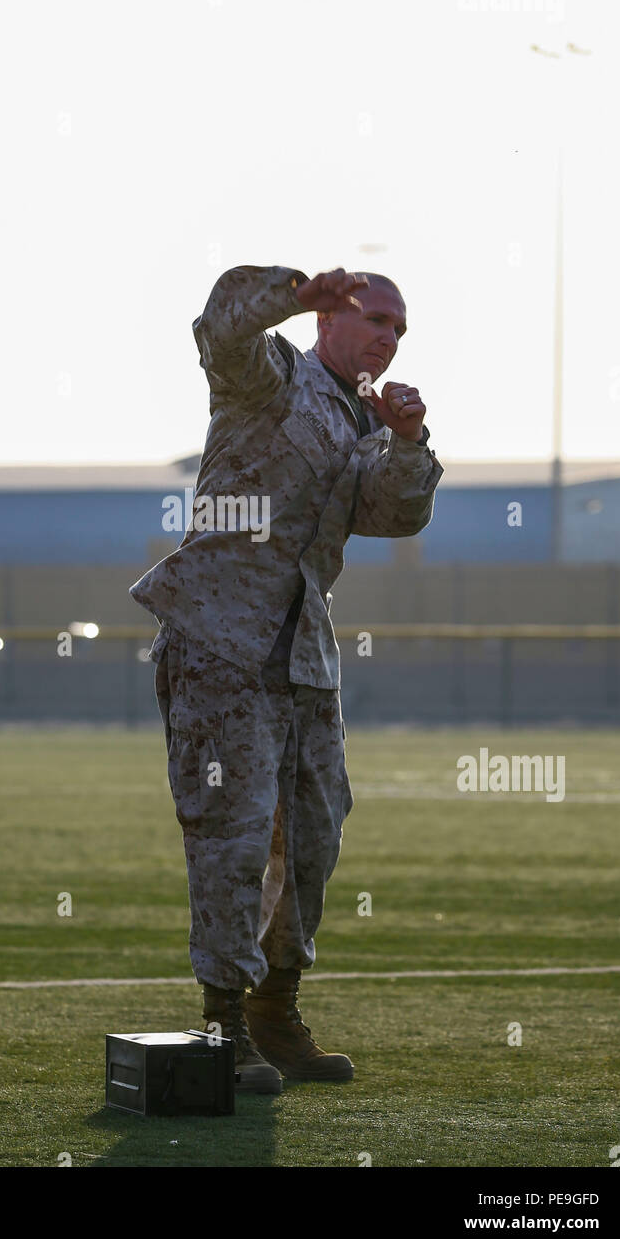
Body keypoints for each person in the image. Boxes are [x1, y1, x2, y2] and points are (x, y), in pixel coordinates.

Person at [130, 264, 444, 1093]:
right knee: (234, 834)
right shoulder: (271, 380)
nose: (388, 336)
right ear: (332, 320)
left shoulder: (362, 423)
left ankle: (277, 1012)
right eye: (376, 318)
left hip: (303, 657)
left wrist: (409, 442)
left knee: (311, 833)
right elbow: (218, 329)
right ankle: (222, 1027)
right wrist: (292, 292)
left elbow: (393, 514)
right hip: (221, 646)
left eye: (399, 330)